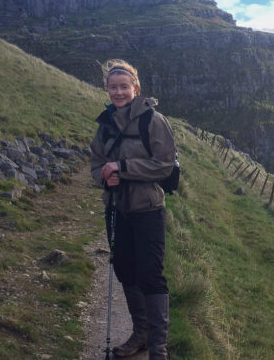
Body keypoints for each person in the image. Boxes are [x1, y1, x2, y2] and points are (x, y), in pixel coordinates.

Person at [89, 59, 176, 359]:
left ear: (135, 88)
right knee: (126, 269)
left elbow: (164, 165)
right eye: (113, 87)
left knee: (151, 274)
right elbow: (95, 163)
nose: (118, 92)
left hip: (148, 208)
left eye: (124, 86)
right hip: (117, 209)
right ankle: (141, 334)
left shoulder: (152, 120)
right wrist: (103, 175)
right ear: (107, 90)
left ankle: (158, 348)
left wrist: (122, 168)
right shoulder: (105, 124)